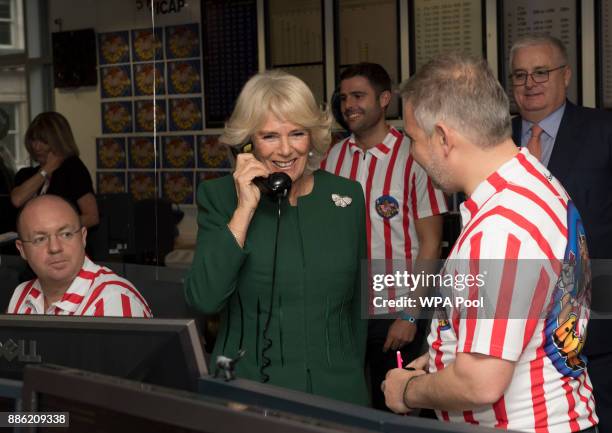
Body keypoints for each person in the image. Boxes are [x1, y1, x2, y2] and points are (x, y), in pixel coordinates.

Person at [383, 53, 597, 433]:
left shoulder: (501, 228)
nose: (412, 154)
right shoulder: (534, 180)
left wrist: (409, 390)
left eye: (414, 140)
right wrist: (436, 360)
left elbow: (480, 382)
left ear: (444, 138)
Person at [185, 70, 368, 405]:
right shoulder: (219, 197)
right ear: (247, 143)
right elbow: (205, 299)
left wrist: (356, 378)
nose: (286, 150)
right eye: (270, 136)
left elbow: (358, 305)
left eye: (297, 133)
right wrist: (244, 210)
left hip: (339, 390)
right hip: (247, 390)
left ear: (312, 137)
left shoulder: (348, 196)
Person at [321, 62, 446, 410]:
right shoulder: (333, 159)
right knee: (347, 405)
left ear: (385, 100)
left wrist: (410, 314)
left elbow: (431, 243)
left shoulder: (415, 155)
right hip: (344, 311)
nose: (349, 105)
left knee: (394, 407)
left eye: (358, 96)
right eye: (344, 97)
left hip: (395, 312)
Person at [510, 34, 612, 433]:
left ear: (566, 75)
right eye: (519, 75)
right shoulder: (495, 138)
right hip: (516, 323)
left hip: (595, 326)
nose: (529, 83)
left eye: (540, 72)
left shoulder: (603, 129)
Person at [8, 194, 151, 317]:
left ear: (83, 238)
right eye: (40, 239)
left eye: (66, 234)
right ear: (22, 250)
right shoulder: (21, 295)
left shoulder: (114, 300)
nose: (55, 248)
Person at [11, 112, 99, 228]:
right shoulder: (26, 174)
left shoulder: (72, 169)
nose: (36, 147)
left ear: (58, 142)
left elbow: (92, 217)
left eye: (44, 142)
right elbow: (17, 200)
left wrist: (56, 227)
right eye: (33, 140)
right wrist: (46, 170)